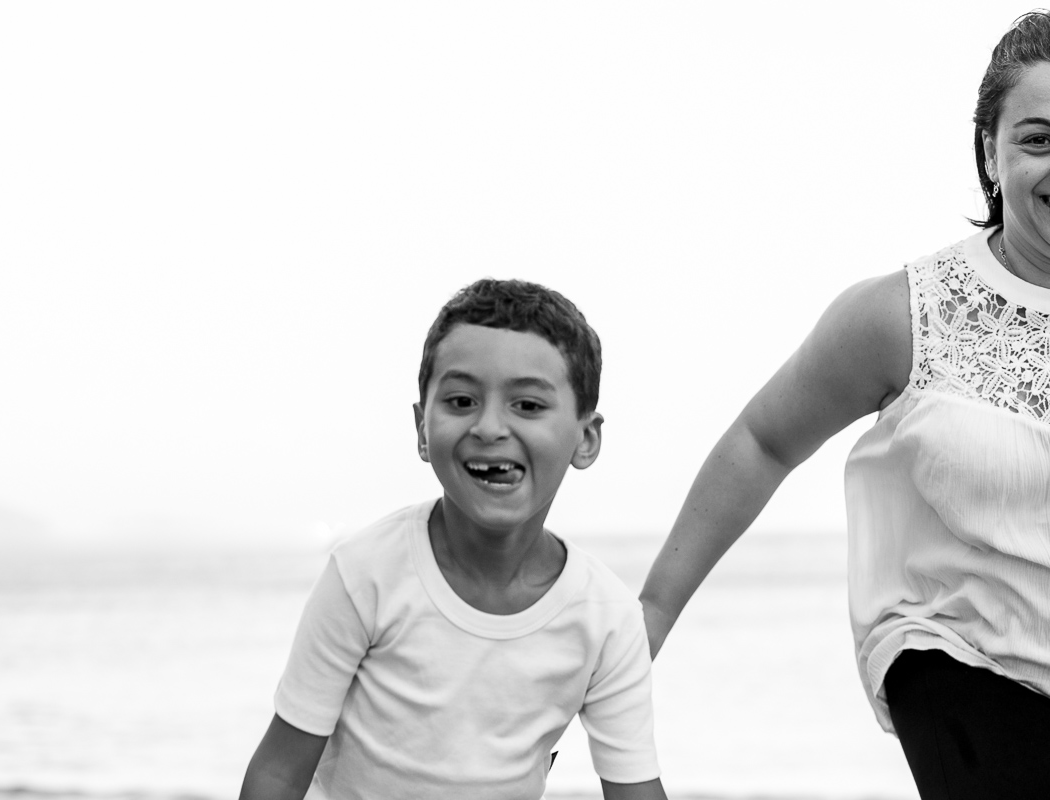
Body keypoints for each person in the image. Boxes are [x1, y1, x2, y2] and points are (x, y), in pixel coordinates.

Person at [638, 11, 1050, 799]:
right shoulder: (905, 314)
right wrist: (648, 619)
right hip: (959, 675)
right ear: (990, 157)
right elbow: (761, 442)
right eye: (1038, 137)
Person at [240, 279, 667, 800]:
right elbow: (279, 775)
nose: (489, 427)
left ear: (586, 438)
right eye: (462, 400)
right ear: (422, 428)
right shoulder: (364, 575)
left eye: (528, 406)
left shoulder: (607, 618)